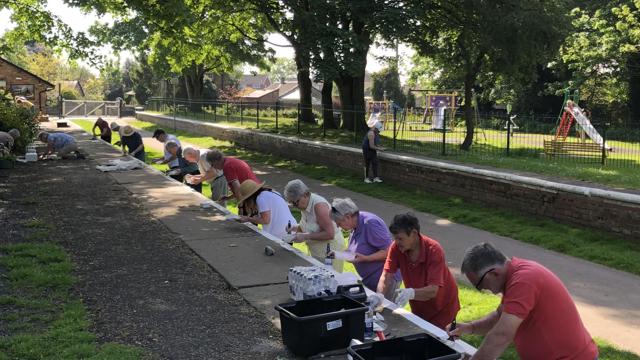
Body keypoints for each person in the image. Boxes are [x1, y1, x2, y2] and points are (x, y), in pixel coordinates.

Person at [447, 243, 598, 360]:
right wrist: (469, 327)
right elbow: (499, 317)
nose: (483, 290)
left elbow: (501, 335)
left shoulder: (524, 280)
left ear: (494, 273)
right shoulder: (516, 277)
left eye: (480, 285)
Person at [376, 213, 459, 330]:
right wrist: (379, 295)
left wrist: (410, 293)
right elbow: (386, 275)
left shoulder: (434, 250)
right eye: (395, 238)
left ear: (414, 234)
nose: (397, 242)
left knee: (442, 341)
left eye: (400, 238)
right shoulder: (396, 248)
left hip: (443, 307)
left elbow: (433, 290)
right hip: (419, 306)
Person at [330, 197, 401, 298]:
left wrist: (366, 258)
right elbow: (361, 247)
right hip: (371, 279)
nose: (337, 226)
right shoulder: (355, 225)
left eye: (339, 223)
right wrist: (347, 254)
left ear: (348, 216)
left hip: (386, 280)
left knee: (383, 311)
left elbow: (390, 251)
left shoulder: (370, 223)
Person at [284, 179, 346, 272]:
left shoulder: (319, 206)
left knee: (330, 282)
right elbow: (309, 226)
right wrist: (294, 228)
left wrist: (305, 236)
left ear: (305, 195)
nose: (295, 206)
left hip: (329, 252)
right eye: (292, 203)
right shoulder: (305, 205)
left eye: (295, 202)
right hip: (318, 251)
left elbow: (330, 234)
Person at [362, 116, 384, 184]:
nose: (379, 131)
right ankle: (366, 178)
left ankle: (375, 178)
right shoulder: (371, 133)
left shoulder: (376, 133)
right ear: (376, 128)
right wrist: (380, 149)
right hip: (367, 149)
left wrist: (380, 146)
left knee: (375, 162)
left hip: (372, 149)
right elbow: (371, 146)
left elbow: (375, 144)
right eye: (379, 130)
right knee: (367, 163)